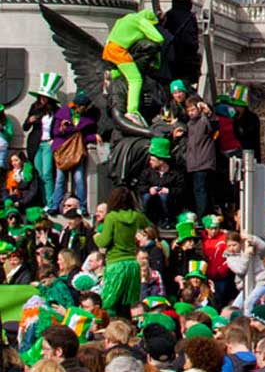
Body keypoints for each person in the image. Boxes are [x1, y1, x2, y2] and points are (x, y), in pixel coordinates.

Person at [92, 187, 151, 315]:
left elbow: (104, 241)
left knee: (110, 303)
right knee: (127, 306)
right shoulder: (136, 216)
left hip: (116, 265)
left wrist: (96, 236)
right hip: (132, 265)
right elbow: (149, 227)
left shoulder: (112, 217)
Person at [101, 9, 164, 125]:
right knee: (135, 79)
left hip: (109, 49)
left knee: (124, 72)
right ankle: (132, 111)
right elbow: (159, 39)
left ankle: (113, 74)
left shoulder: (124, 19)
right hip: (119, 50)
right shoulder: (141, 20)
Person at [48, 90, 99, 215]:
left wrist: (94, 137)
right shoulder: (63, 113)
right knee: (60, 179)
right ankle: (55, 205)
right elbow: (54, 133)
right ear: (78, 106)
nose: (84, 109)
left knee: (79, 178)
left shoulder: (87, 118)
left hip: (77, 151)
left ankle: (82, 206)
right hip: (63, 151)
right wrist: (62, 128)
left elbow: (85, 136)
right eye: (83, 107)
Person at [25, 73, 63, 208]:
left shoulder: (56, 111)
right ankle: (43, 202)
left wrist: (55, 139)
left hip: (48, 144)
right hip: (36, 144)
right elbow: (25, 127)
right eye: (41, 96)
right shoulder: (34, 108)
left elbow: (59, 128)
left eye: (45, 97)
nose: (42, 99)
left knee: (47, 173)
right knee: (39, 174)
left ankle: (51, 202)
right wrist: (29, 120)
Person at [138, 138, 183, 227]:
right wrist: (149, 189)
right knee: (147, 197)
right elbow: (140, 186)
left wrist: (169, 191)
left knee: (164, 197)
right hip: (153, 205)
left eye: (153, 160)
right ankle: (148, 220)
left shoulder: (175, 174)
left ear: (161, 161)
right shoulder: (147, 172)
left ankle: (168, 221)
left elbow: (182, 189)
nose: (150, 162)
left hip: (170, 206)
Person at [224, 230, 265, 315]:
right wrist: (246, 255)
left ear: (240, 243)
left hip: (260, 282)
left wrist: (251, 238)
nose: (232, 248)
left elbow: (263, 246)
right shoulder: (230, 258)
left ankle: (248, 323)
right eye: (229, 246)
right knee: (235, 307)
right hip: (246, 287)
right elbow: (240, 270)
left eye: (234, 245)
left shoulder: (249, 247)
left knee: (248, 304)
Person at [184, 97, 217, 217]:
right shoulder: (189, 124)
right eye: (189, 111)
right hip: (193, 163)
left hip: (203, 162)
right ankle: (204, 213)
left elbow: (212, 121)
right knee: (199, 190)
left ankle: (202, 215)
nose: (191, 113)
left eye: (193, 110)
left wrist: (207, 111)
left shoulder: (203, 121)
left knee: (201, 190)